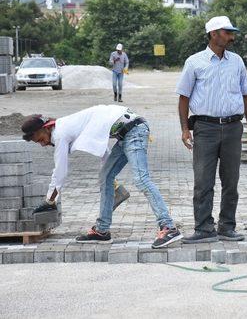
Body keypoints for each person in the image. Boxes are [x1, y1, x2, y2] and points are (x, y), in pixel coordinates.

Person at [22, 105, 182, 248]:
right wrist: (114, 185)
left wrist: (50, 200)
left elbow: (60, 171)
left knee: (141, 179)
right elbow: (103, 152)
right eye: (39, 143)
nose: (43, 144)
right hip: (125, 135)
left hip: (135, 131)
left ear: (47, 128)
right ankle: (102, 231)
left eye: (41, 139)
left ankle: (168, 227)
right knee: (105, 177)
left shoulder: (61, 133)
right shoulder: (72, 125)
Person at [176, 15, 247, 244]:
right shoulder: (194, 62)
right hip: (205, 129)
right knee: (203, 181)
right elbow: (183, 98)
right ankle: (203, 228)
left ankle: (227, 226)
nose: (232, 36)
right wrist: (185, 129)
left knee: (231, 180)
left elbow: (246, 95)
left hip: (233, 128)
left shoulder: (237, 62)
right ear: (214, 34)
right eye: (227, 32)